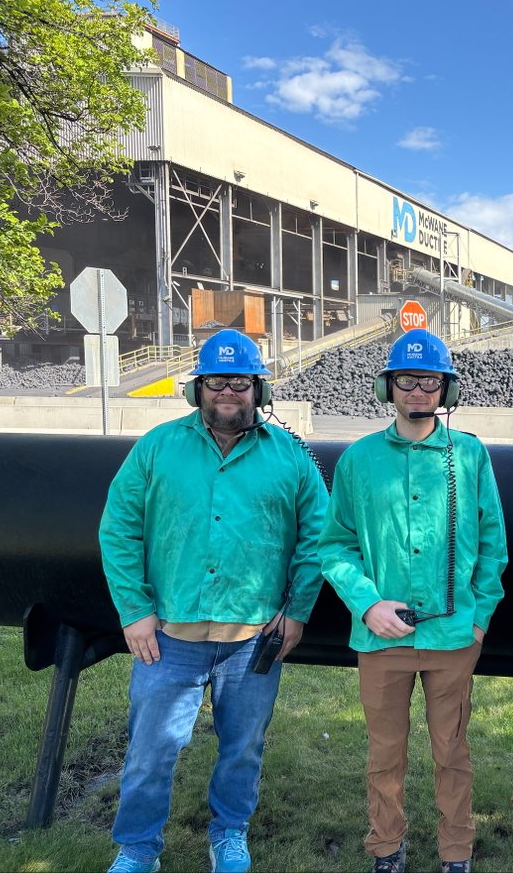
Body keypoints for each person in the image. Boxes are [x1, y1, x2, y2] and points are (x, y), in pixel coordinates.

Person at [99, 328, 329, 873]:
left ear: (259, 390)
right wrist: (134, 610)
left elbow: (318, 539)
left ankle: (229, 833)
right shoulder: (157, 447)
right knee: (151, 750)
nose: (229, 391)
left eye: (241, 381)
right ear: (197, 387)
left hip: (253, 639)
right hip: (168, 638)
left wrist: (296, 612)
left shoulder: (291, 458)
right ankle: (137, 848)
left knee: (243, 748)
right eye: (217, 381)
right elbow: (119, 529)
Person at [319, 328, 507, 873]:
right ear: (389, 386)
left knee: (452, 751)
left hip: (453, 637)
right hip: (382, 638)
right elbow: (335, 545)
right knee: (385, 754)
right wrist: (367, 604)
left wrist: (479, 621)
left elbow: (491, 543)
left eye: (430, 380)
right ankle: (386, 846)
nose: (419, 390)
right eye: (408, 379)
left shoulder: (468, 455)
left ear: (445, 389)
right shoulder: (358, 460)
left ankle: (456, 851)